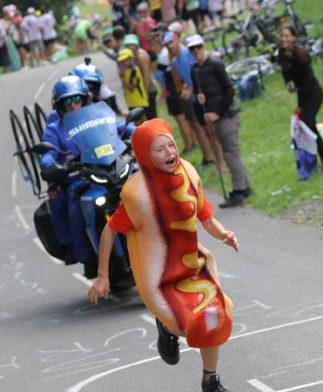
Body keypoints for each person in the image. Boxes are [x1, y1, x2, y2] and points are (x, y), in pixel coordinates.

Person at [88, 118, 237, 392]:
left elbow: (205, 217)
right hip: (161, 275)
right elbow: (109, 232)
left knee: (214, 314)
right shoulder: (137, 195)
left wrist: (223, 234)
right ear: (146, 155)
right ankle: (168, 330)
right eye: (160, 149)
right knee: (184, 324)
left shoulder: (189, 174)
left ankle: (210, 380)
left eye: (171, 145)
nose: (170, 153)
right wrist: (102, 276)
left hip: (192, 265)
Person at [39, 76, 97, 277]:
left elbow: (120, 128)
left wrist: (139, 132)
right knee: (75, 207)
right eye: (67, 101)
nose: (73, 105)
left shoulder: (97, 116)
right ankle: (84, 256)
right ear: (60, 105)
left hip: (106, 171)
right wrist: (50, 166)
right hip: (77, 179)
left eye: (76, 99)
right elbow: (47, 155)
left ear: (85, 99)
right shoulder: (54, 129)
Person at [189, 34, 253, 208]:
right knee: (230, 152)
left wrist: (217, 112)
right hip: (214, 118)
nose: (196, 51)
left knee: (230, 154)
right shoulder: (194, 70)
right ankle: (246, 187)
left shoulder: (216, 65)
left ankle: (239, 191)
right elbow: (197, 94)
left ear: (204, 47)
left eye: (198, 47)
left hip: (227, 116)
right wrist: (199, 99)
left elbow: (230, 90)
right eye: (192, 49)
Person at [277, 24, 323, 171]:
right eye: (282, 36)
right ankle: (313, 163)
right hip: (302, 92)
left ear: (294, 37)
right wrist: (288, 84)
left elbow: (308, 79)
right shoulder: (281, 54)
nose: (284, 39)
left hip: (313, 92)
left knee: (308, 124)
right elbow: (286, 73)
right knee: (306, 125)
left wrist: (300, 104)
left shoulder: (301, 54)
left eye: (287, 36)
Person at [165, 30, 216, 166]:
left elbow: (200, 72)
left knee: (207, 128)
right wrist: (185, 88)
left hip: (203, 95)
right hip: (191, 98)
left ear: (177, 39)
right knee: (195, 126)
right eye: (166, 44)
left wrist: (191, 88)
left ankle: (215, 156)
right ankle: (207, 156)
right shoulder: (175, 62)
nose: (169, 46)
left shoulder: (189, 53)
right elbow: (186, 79)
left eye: (171, 42)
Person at [123, 33, 158, 119]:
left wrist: (145, 94)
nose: (130, 47)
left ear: (136, 45)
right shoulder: (131, 56)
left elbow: (146, 76)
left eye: (132, 45)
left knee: (151, 119)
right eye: (128, 45)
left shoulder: (141, 56)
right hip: (140, 92)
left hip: (148, 90)